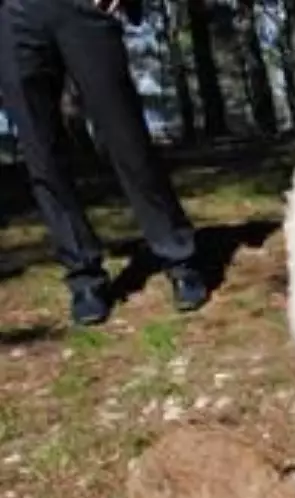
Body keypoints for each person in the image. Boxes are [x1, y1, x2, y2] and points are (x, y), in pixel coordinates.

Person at [0, 0, 207, 326]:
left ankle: (178, 255)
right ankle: (83, 276)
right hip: (13, 16)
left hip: (80, 8)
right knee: (42, 155)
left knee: (127, 138)